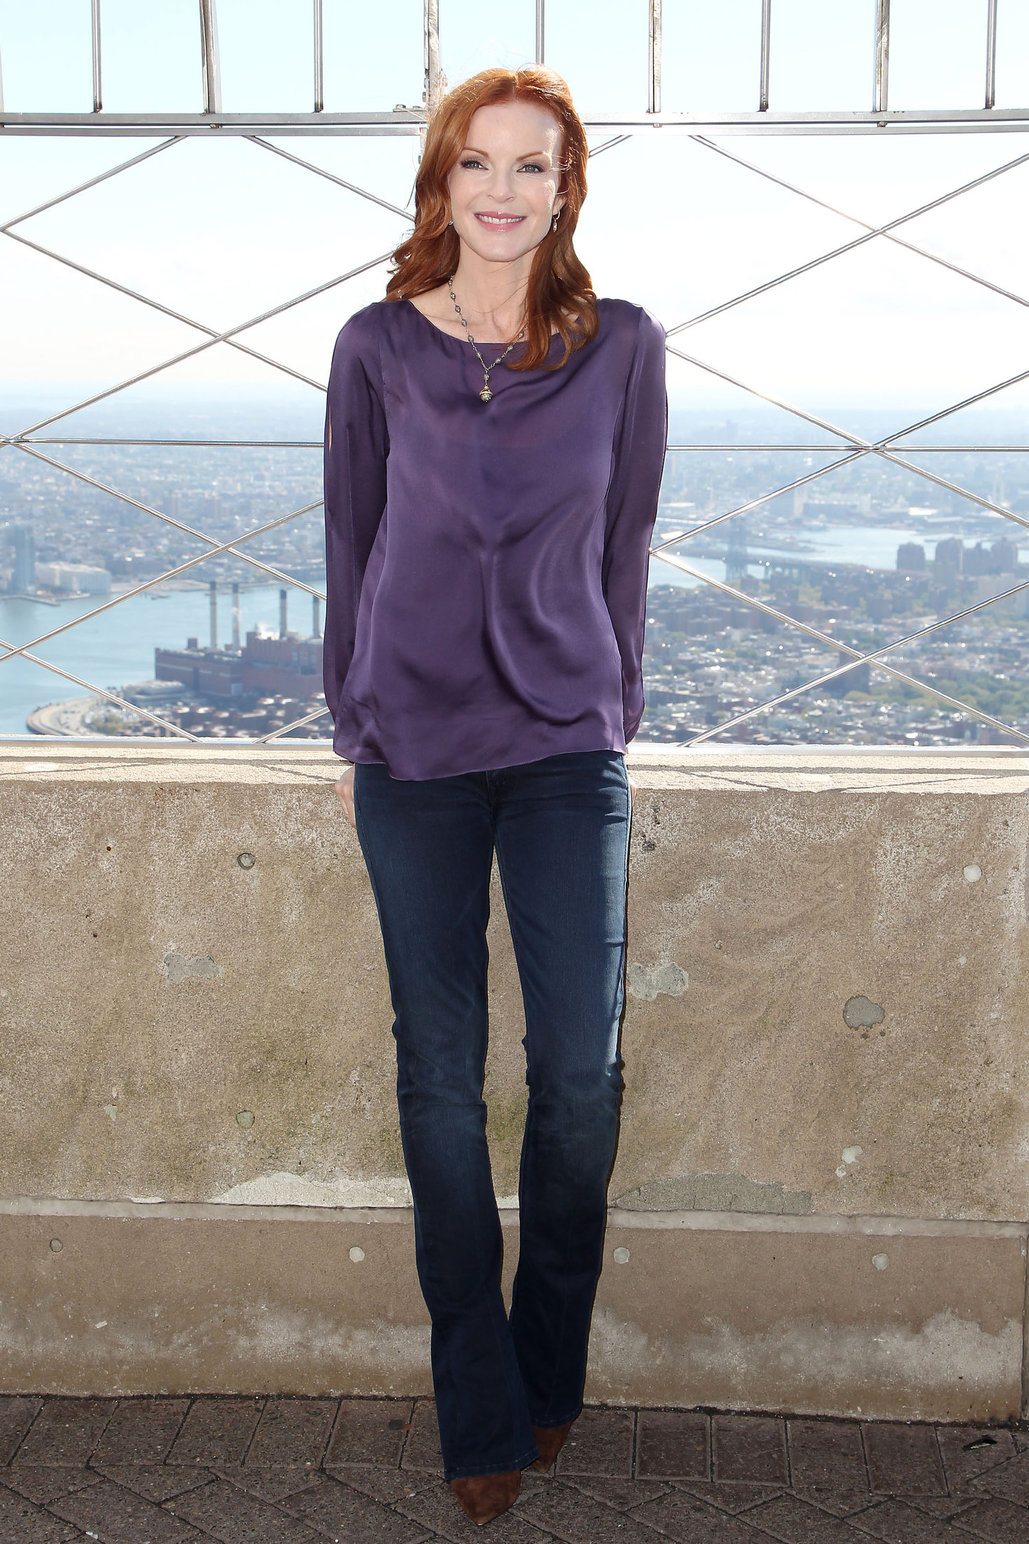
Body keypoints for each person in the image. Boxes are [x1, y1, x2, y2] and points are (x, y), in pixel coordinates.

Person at [323, 65, 667, 1527]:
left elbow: (627, 543)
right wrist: (352, 708)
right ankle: (478, 1403)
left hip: (561, 751)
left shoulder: (622, 348)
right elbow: (349, 538)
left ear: (567, 184)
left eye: (534, 165)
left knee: (578, 1086)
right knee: (438, 1084)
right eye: (479, 164)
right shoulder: (376, 346)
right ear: (441, 183)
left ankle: (548, 1371)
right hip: (410, 756)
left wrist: (608, 701)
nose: (505, 190)